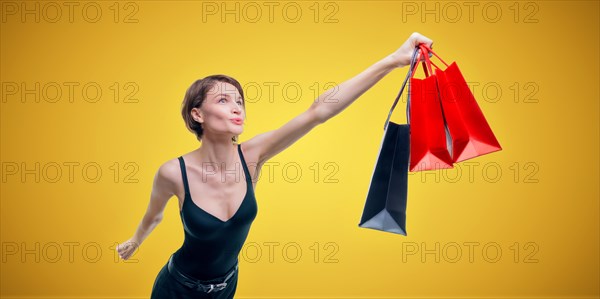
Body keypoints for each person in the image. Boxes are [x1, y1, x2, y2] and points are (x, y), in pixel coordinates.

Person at [117, 32, 433, 298]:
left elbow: (317, 112)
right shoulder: (173, 173)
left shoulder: (252, 156)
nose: (236, 107)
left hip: (227, 287)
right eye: (223, 100)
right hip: (176, 288)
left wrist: (394, 59)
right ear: (197, 114)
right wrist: (135, 241)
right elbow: (154, 215)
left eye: (239, 100)